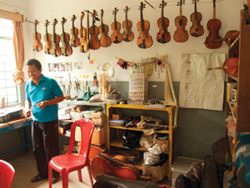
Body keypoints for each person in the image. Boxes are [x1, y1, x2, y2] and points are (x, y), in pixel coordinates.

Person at [24, 59, 64, 183]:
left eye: (33, 71)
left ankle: (55, 173)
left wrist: (46, 103)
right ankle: (42, 173)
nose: (31, 74)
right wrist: (27, 109)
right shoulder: (28, 84)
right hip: (35, 121)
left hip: (50, 120)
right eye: (29, 72)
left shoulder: (50, 82)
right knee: (37, 148)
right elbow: (28, 100)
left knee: (51, 148)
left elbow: (61, 97)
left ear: (40, 70)